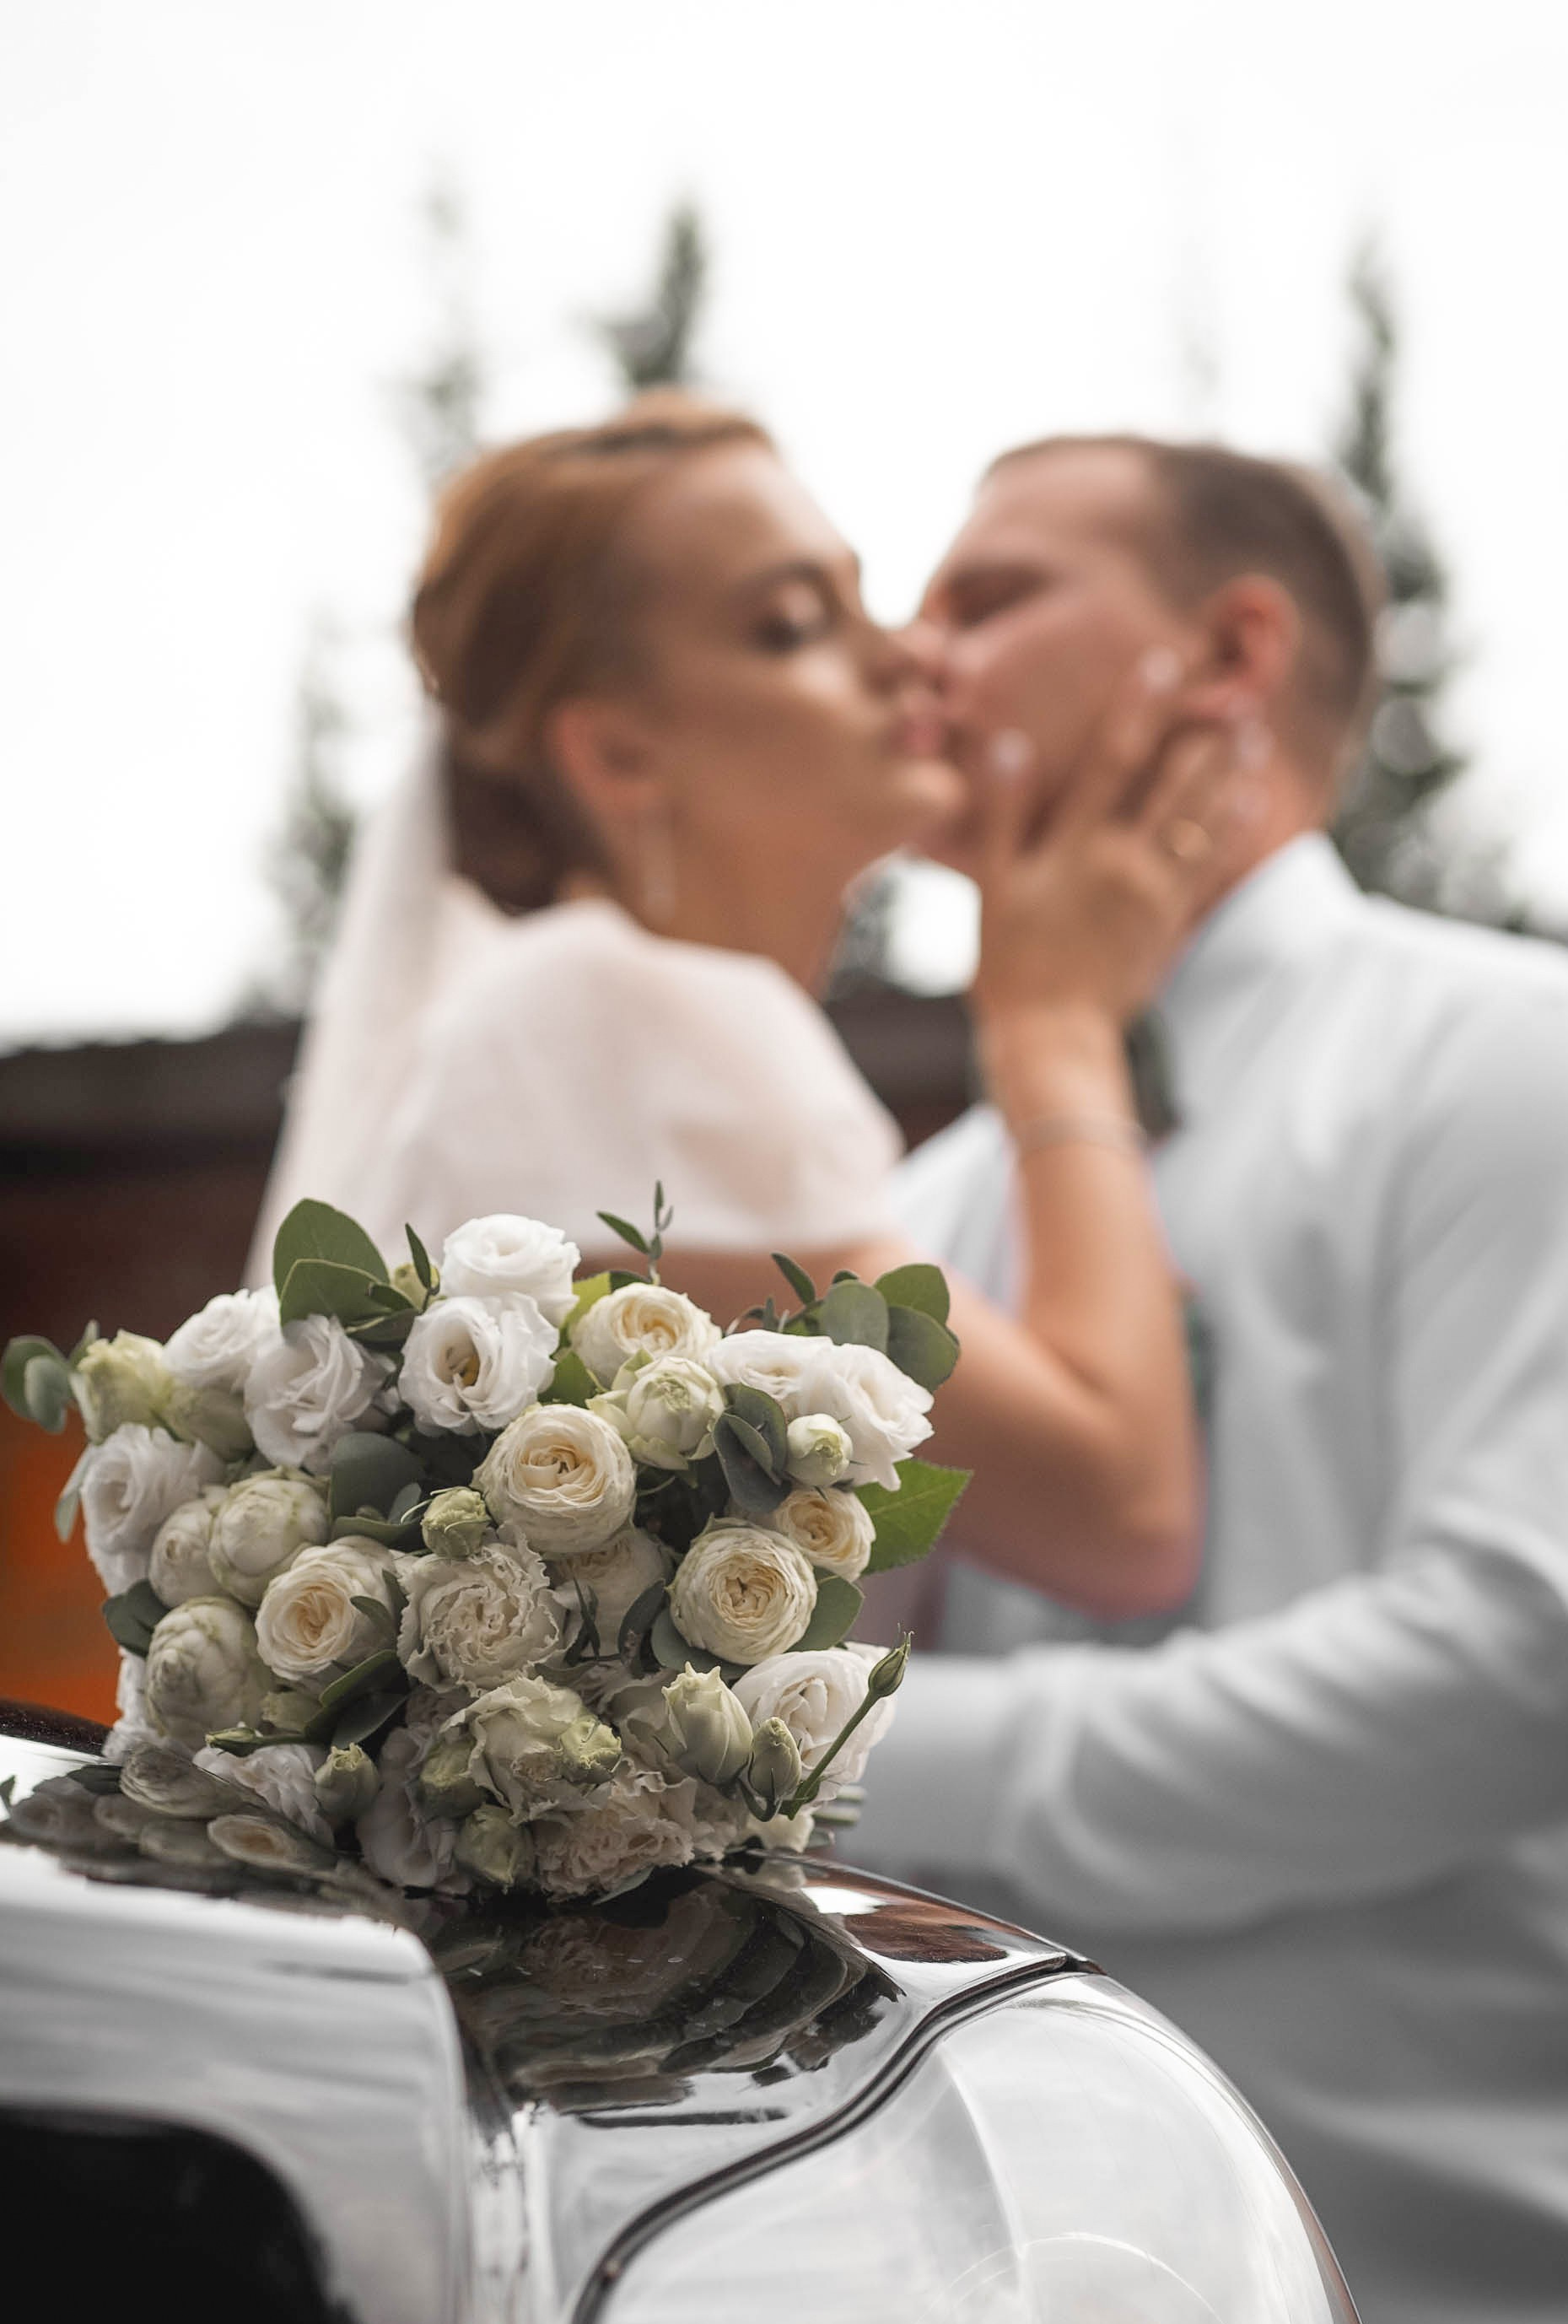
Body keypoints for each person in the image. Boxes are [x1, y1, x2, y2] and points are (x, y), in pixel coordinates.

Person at [847, 429, 1568, 2324]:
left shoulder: (1512, 1053)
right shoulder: (916, 1203)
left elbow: (1522, 1667)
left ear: (1224, 650)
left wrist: (853, 1758)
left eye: (990, 596)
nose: (912, 657)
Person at [252, 395, 1249, 1611]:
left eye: (859, 596)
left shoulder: (559, 1011)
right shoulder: (633, 1009)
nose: (904, 658)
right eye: (790, 627)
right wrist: (1055, 1027)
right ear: (618, 756)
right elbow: (1124, 1518)